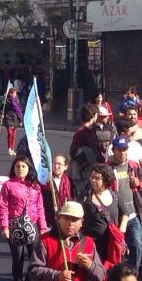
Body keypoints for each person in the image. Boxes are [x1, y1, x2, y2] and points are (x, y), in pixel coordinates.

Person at [28, 200, 105, 281]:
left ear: (81, 222)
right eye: (67, 218)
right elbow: (33, 270)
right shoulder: (45, 241)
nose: (70, 223)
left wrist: (90, 265)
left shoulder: (89, 243)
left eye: (75, 219)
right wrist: (57, 276)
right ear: (59, 219)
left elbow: (101, 275)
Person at [0, 155, 48, 281]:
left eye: (23, 166)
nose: (20, 169)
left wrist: (42, 228)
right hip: (15, 226)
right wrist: (4, 226)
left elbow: (40, 208)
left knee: (34, 258)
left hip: (32, 225)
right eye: (17, 166)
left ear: (29, 168)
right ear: (13, 168)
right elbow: (3, 206)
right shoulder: (8, 185)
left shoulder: (35, 186)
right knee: (18, 259)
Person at [82, 163, 129, 269]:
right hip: (94, 246)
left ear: (106, 179)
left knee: (113, 271)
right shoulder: (86, 198)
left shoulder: (115, 196)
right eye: (92, 177)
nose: (93, 180)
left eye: (97, 178)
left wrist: (121, 231)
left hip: (112, 244)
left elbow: (125, 213)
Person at [107, 136, 142, 273]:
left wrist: (138, 183)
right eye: (119, 150)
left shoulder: (133, 165)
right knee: (117, 248)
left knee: (137, 245)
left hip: (132, 213)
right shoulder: (108, 167)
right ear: (113, 150)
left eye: (125, 150)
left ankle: (133, 273)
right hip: (117, 216)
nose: (123, 153)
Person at [70, 104, 104, 200]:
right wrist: (87, 157)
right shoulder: (81, 132)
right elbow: (73, 152)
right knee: (83, 198)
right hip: (84, 174)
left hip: (93, 170)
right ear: (94, 115)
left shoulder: (91, 131)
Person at [42, 154, 74, 228]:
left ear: (66, 167)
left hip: (65, 219)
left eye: (59, 164)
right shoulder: (46, 181)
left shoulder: (70, 182)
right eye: (54, 164)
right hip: (49, 220)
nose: (56, 166)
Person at [1, 88, 23, 156]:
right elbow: (2, 108)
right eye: (12, 93)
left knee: (13, 135)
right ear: (9, 93)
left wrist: (20, 119)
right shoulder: (6, 100)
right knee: (10, 133)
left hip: (15, 118)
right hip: (8, 118)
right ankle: (9, 148)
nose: (13, 95)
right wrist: (1, 114)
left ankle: (12, 148)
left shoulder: (17, 101)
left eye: (14, 93)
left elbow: (19, 110)